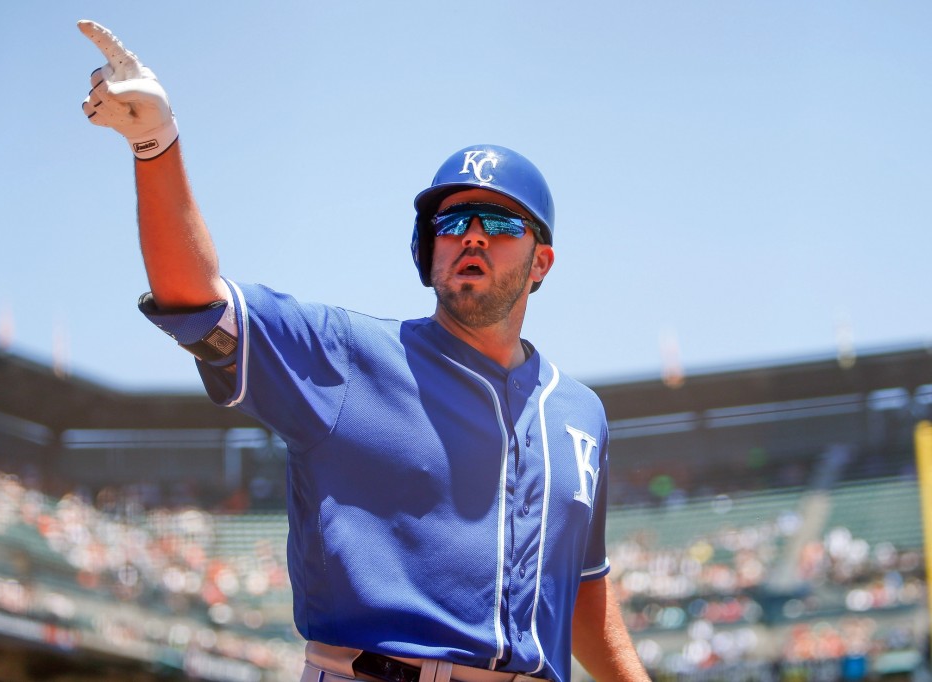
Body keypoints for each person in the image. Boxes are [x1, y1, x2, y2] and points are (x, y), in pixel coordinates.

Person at [78, 19, 650, 682]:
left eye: (496, 221)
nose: (469, 234)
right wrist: (155, 144)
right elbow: (195, 298)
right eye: (449, 220)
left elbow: (582, 596)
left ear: (541, 260)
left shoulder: (581, 415)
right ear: (427, 248)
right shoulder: (346, 355)